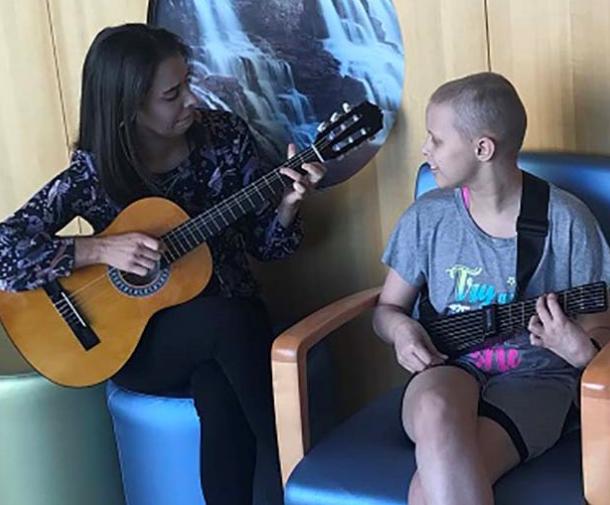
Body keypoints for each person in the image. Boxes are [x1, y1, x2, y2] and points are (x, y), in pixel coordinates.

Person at [0, 23, 326, 505]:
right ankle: (302, 473)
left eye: (188, 83)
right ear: (128, 109)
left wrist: (288, 205)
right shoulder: (95, 172)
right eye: (173, 94)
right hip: (135, 346)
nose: (192, 100)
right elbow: (6, 250)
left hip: (229, 336)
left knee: (218, 384)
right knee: (231, 319)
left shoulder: (224, 138)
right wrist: (98, 250)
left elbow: (268, 248)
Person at [373, 72, 610, 505]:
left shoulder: (568, 220)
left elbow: (600, 334)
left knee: (431, 489)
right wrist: (402, 331)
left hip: (536, 380)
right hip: (448, 366)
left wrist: (577, 348)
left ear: (483, 149)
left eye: (436, 140)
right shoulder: (427, 217)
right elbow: (387, 309)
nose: (425, 151)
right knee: (434, 411)